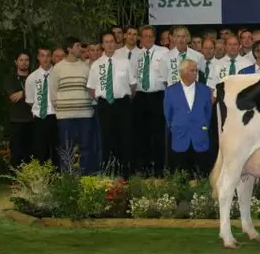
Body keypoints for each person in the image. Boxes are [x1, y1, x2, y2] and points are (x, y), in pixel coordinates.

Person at [87, 31, 137, 176]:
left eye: (111, 41)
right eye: (106, 42)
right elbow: (91, 88)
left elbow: (133, 86)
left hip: (122, 104)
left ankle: (126, 173)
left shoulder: (125, 62)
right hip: (104, 105)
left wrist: (124, 100)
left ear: (115, 43)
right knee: (107, 138)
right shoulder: (96, 65)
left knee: (125, 138)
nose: (109, 44)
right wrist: (103, 100)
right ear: (102, 45)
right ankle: (109, 172)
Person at [50, 37, 96, 174]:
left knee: (86, 146)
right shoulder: (58, 68)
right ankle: (68, 176)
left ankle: (85, 175)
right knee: (66, 147)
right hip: (65, 116)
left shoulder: (86, 67)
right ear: (69, 49)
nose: (80, 49)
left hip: (85, 114)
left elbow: (91, 88)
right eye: (77, 46)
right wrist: (60, 109)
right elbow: (53, 92)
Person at [164, 60, 212, 176]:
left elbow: (208, 113)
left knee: (201, 173)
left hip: (200, 136)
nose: (195, 73)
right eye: (192, 70)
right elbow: (168, 115)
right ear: (182, 72)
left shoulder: (205, 90)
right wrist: (176, 126)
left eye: (196, 70)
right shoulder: (170, 91)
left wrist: (204, 126)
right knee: (180, 174)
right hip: (180, 136)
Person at [134, 25, 169, 176]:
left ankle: (159, 168)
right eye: (145, 36)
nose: (147, 38)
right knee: (142, 134)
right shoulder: (135, 55)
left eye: (150, 36)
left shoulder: (164, 52)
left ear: (155, 38)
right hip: (140, 96)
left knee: (158, 133)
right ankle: (145, 167)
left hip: (158, 95)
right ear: (140, 38)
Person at [25, 48, 59, 166]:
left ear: (51, 58)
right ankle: (43, 178)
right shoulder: (32, 77)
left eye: (48, 56)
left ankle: (57, 175)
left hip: (56, 115)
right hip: (40, 117)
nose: (45, 59)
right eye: (42, 56)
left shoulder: (57, 74)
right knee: (41, 149)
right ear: (38, 57)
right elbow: (30, 101)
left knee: (56, 149)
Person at [4, 52, 34, 166]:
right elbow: (13, 97)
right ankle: (15, 179)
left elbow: (39, 94)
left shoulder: (34, 77)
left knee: (31, 152)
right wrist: (28, 92)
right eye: (21, 60)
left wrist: (21, 93)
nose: (24, 62)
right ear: (16, 62)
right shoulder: (10, 79)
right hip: (17, 120)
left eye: (26, 60)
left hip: (33, 119)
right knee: (17, 152)